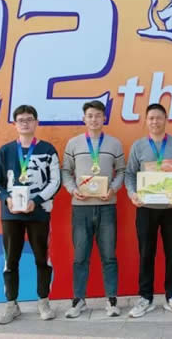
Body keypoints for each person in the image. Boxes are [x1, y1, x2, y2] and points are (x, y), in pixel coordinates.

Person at [0, 104, 61, 324]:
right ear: (14, 124)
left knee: (42, 258)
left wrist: (36, 201)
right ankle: (11, 305)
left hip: (39, 214)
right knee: (11, 260)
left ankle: (43, 301)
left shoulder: (48, 150)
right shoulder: (5, 151)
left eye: (29, 119)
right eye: (21, 120)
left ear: (36, 122)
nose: (25, 123)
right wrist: (7, 198)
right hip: (11, 215)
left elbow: (55, 182)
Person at [124, 103, 172, 317]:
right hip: (145, 208)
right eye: (151, 118)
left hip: (171, 208)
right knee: (146, 253)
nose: (155, 121)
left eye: (159, 117)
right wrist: (132, 194)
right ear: (146, 121)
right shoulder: (138, 146)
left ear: (166, 120)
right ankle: (145, 298)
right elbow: (129, 174)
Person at [61, 100, 126, 318]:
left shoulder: (114, 144)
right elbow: (66, 171)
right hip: (81, 208)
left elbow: (122, 171)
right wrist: (72, 190)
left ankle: (112, 299)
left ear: (104, 118)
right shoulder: (73, 144)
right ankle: (78, 299)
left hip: (107, 206)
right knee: (80, 256)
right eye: (90, 115)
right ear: (84, 119)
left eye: (98, 115)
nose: (94, 119)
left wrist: (113, 189)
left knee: (109, 255)